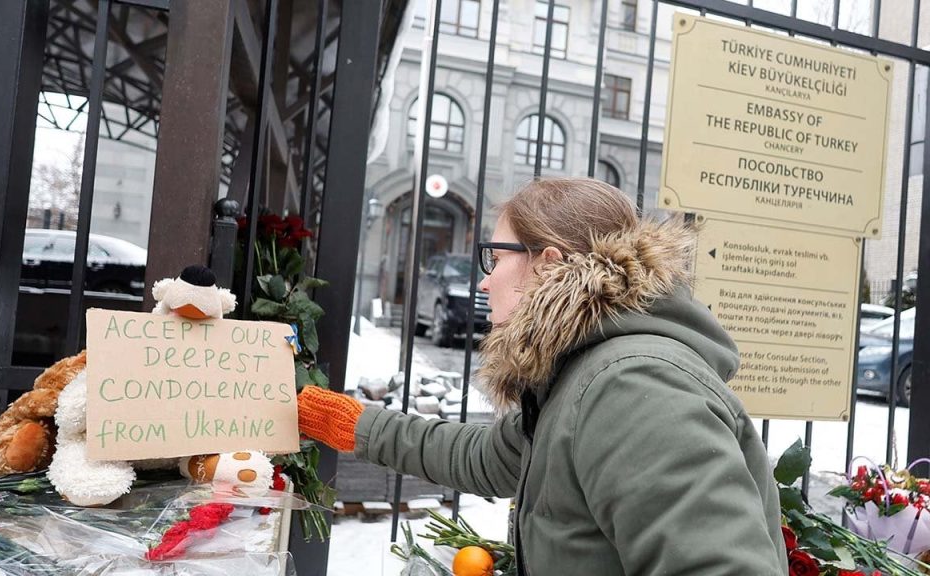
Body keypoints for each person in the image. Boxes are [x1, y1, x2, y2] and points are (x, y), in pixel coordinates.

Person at [296, 177, 788, 575]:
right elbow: (483, 456)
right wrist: (346, 421)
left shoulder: (634, 385)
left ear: (547, 263)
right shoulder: (580, 374)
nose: (485, 280)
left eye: (497, 256)